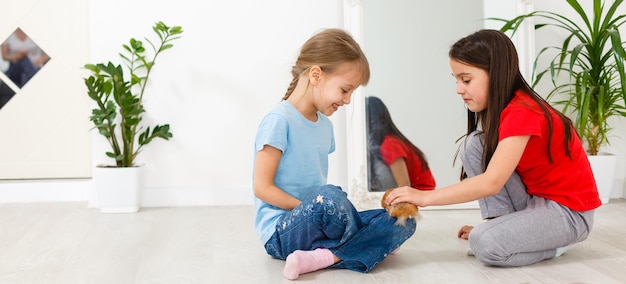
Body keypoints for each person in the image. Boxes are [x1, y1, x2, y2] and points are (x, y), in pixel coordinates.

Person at [384, 29, 600, 267]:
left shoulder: (522, 111)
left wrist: (424, 197)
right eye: (456, 80)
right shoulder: (509, 109)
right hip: (535, 201)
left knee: (483, 244)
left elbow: (492, 182)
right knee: (474, 144)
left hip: (569, 215)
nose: (458, 89)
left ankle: (553, 245)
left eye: (466, 80)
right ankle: (505, 227)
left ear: (495, 75)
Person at [253, 28, 416, 280]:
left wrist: (324, 207)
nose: (348, 100)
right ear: (316, 75)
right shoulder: (278, 121)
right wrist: (311, 207)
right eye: (345, 90)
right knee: (330, 195)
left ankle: (323, 257)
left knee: (402, 219)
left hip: (320, 221)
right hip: (282, 231)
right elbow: (261, 188)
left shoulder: (325, 126)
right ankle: (368, 244)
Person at [366, 96, 436, 191]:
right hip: (421, 195)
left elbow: (404, 184)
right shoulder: (391, 141)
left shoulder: (390, 144)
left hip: (422, 197)